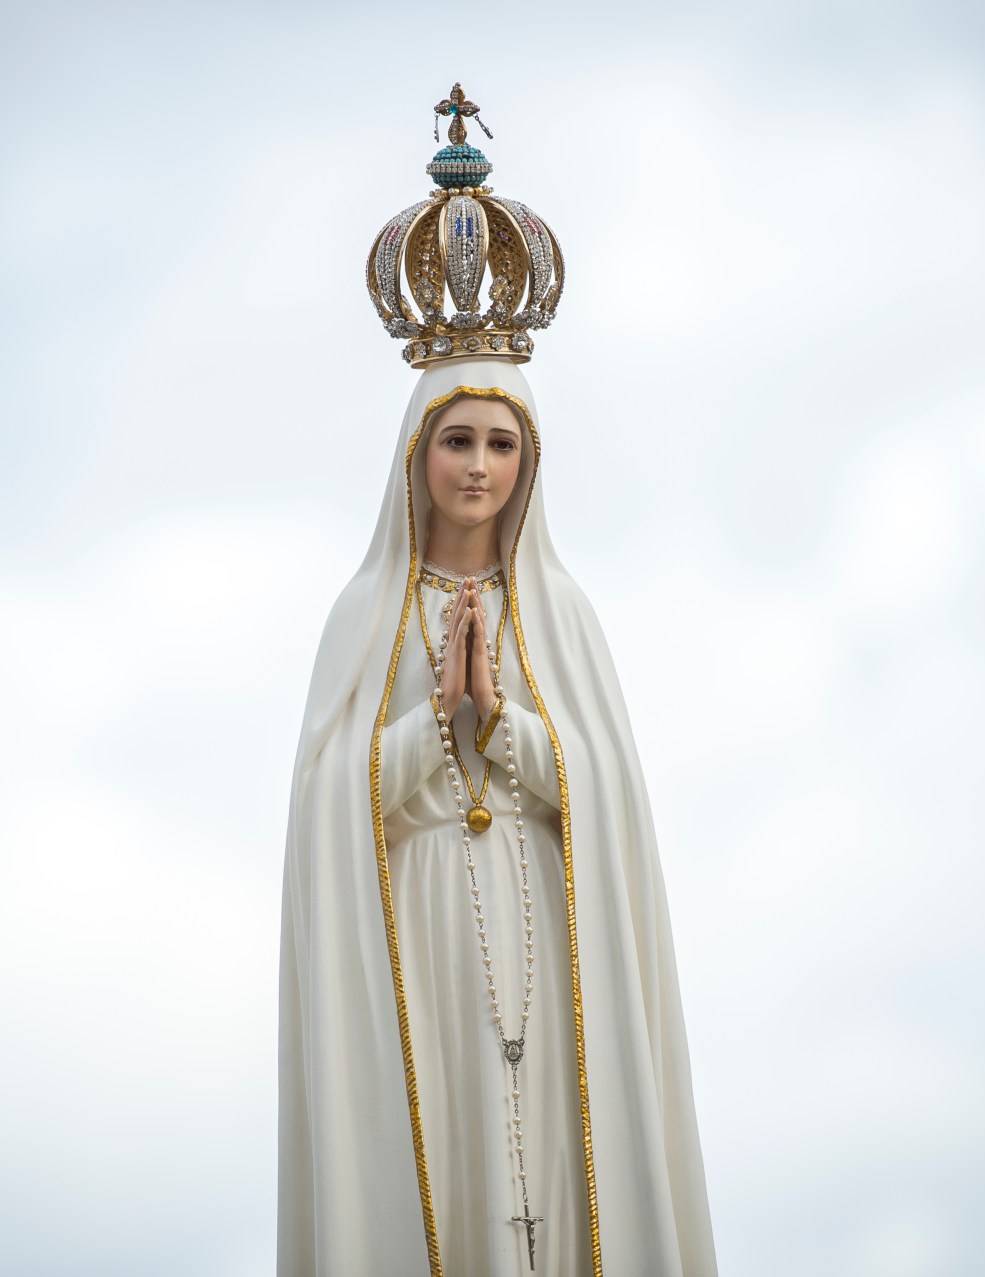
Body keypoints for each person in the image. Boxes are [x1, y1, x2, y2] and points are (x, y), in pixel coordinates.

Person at [278, 88, 717, 1277]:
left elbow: (614, 803)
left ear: (529, 461)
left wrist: (509, 728)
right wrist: (432, 729)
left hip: (546, 920)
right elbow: (326, 814)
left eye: (501, 442)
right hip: (416, 933)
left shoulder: (562, 613)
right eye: (456, 440)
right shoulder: (362, 619)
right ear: (415, 456)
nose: (478, 466)